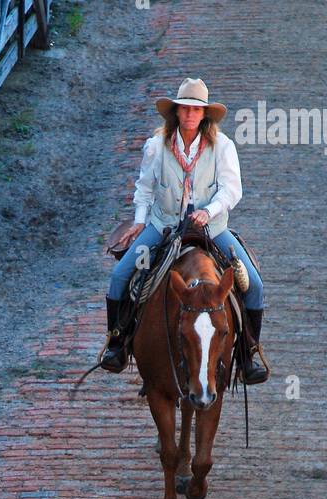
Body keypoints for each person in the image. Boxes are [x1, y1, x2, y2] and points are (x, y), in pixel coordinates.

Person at [101, 77, 268, 383]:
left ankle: (247, 356)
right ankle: (117, 343)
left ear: (204, 115)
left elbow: (232, 190)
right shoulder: (156, 147)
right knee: (119, 276)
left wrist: (210, 210)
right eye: (185, 109)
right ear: (176, 112)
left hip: (211, 228)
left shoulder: (222, 147)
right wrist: (140, 220)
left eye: (196, 110)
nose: (190, 114)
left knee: (253, 284)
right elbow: (145, 188)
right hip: (163, 224)